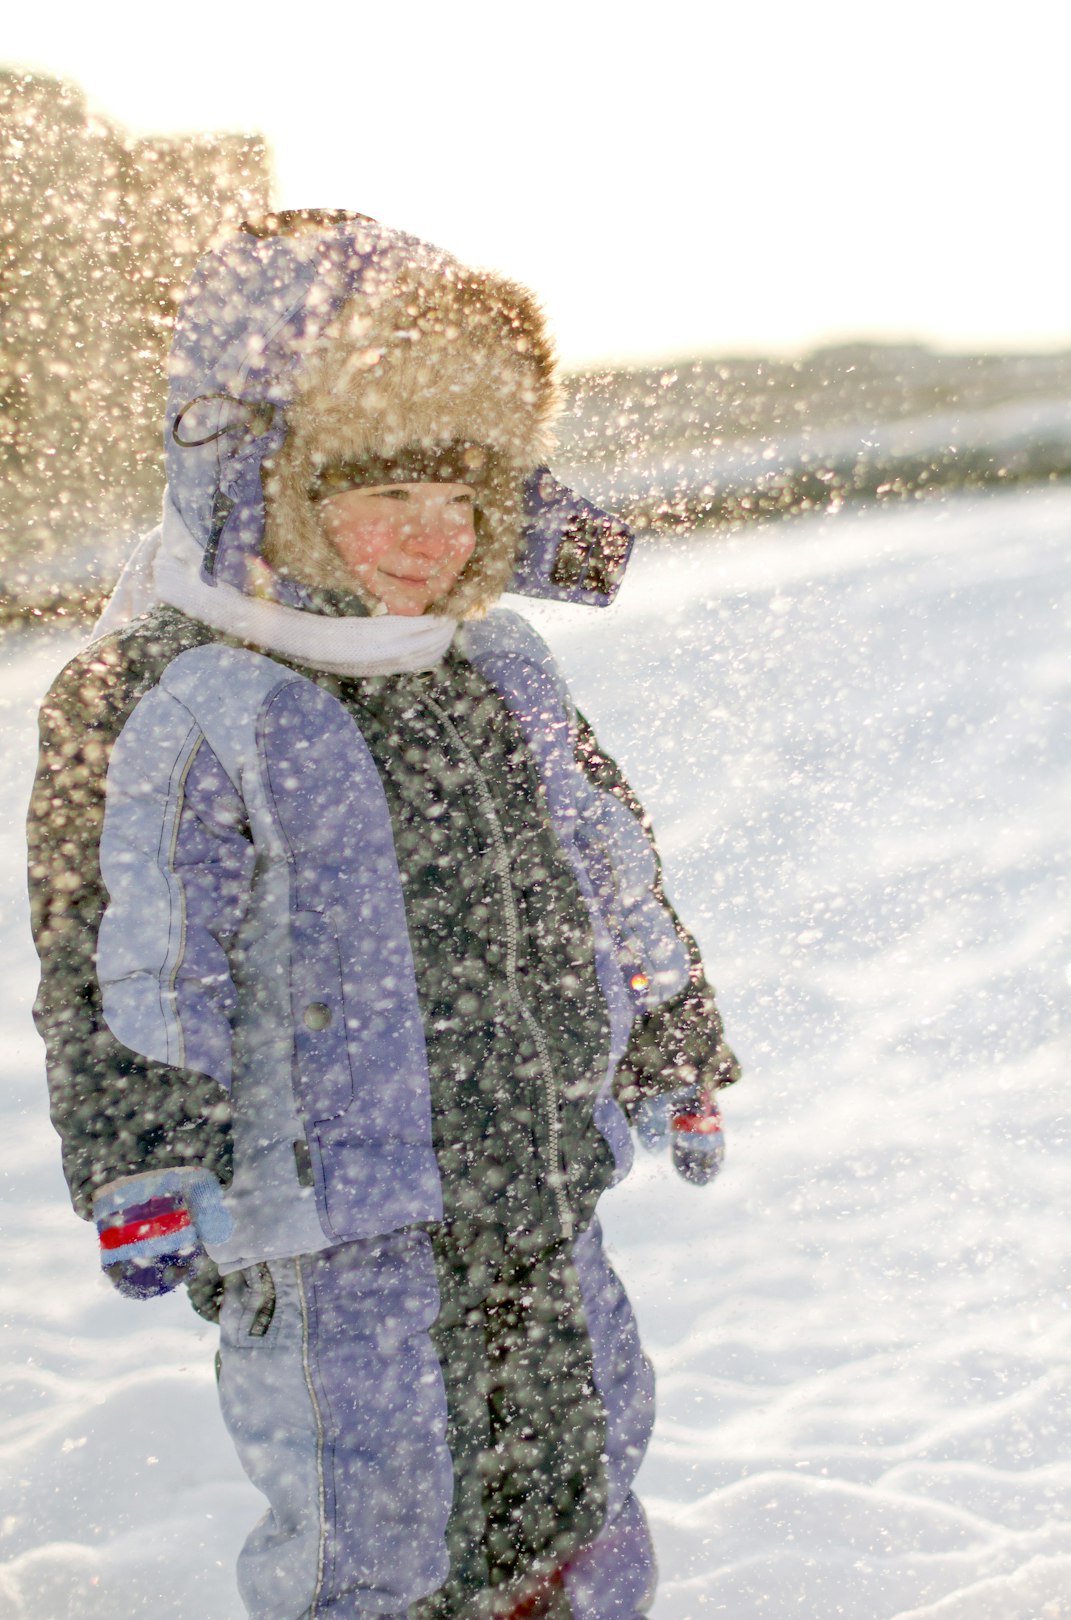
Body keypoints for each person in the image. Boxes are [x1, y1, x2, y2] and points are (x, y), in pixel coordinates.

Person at [27, 211, 740, 1620]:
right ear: (268, 484)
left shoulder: (498, 669)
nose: (435, 535)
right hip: (328, 1231)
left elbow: (608, 871)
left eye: (467, 495)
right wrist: (144, 1153)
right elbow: (131, 957)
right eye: (383, 490)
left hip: (541, 1189)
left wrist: (670, 1035)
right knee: (381, 1517)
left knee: (582, 1466)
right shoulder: (186, 699)